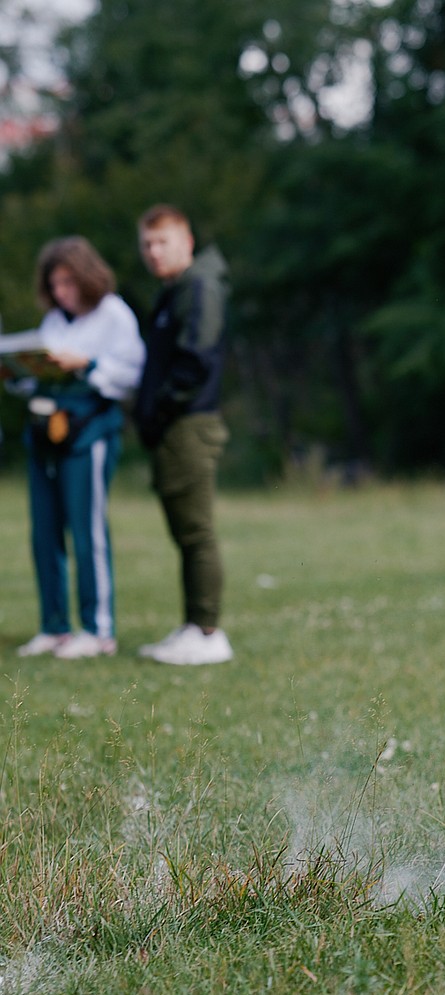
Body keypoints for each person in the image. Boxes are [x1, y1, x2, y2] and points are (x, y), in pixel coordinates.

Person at [16, 237, 145, 659]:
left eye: (68, 282)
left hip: (88, 432)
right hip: (45, 430)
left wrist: (85, 365)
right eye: (55, 285)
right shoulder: (54, 320)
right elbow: (36, 374)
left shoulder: (114, 314)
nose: (62, 292)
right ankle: (55, 626)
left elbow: (129, 374)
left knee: (86, 529)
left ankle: (97, 628)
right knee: (44, 530)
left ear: (86, 276)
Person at [132, 205, 234, 666]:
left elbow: (196, 360)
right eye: (147, 244)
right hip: (176, 425)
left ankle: (207, 632)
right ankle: (194, 624)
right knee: (186, 531)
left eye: (163, 242)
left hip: (189, 424)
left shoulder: (199, 286)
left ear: (187, 241)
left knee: (197, 532)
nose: (154, 252)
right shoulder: (176, 290)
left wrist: (158, 409)